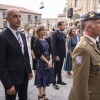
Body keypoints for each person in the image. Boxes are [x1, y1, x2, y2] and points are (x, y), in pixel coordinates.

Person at [0, 8, 33, 100]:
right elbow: (1, 64)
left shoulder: (21, 35)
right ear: (7, 19)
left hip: (24, 76)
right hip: (11, 78)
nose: (18, 19)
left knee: (24, 97)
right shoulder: (2, 37)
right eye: (15, 16)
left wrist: (29, 70)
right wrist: (7, 84)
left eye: (19, 16)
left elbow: (25, 55)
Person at [69, 11, 100, 100]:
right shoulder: (82, 49)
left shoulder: (94, 44)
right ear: (89, 27)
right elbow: (80, 86)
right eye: (99, 23)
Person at [34, 25, 53, 100]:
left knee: (46, 79)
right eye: (43, 30)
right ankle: (40, 95)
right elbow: (39, 54)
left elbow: (50, 51)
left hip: (48, 61)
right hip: (41, 63)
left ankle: (44, 94)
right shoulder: (36, 41)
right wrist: (47, 62)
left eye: (45, 30)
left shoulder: (47, 40)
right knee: (40, 79)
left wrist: (51, 60)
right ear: (38, 31)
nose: (44, 31)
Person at [51, 21, 66, 90]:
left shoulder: (63, 34)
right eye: (63, 25)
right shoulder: (54, 33)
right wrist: (55, 55)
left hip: (62, 54)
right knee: (55, 69)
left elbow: (63, 44)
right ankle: (54, 82)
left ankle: (59, 80)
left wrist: (64, 53)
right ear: (59, 26)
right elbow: (53, 46)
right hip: (57, 55)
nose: (64, 27)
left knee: (60, 69)